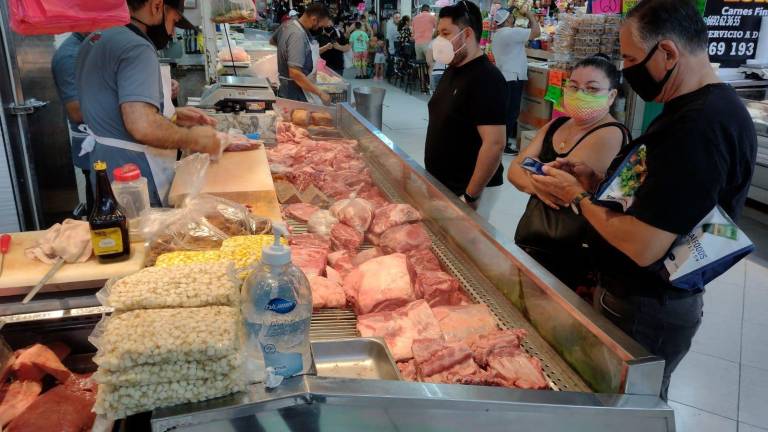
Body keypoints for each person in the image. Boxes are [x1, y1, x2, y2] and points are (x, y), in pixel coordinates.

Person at [530, 0, 757, 400]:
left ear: (667, 53)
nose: (629, 70)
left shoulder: (698, 127)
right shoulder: (702, 107)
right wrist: (599, 180)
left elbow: (643, 244)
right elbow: (669, 197)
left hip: (645, 308)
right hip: (643, 301)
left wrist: (580, 197)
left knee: (624, 409)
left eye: (633, 59)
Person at [77, 0, 221, 208]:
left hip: (103, 169)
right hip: (133, 177)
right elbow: (142, 125)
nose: (172, 34)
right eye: (173, 21)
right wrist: (193, 138)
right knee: (144, 238)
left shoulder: (95, 39)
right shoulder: (136, 47)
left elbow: (110, 106)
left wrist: (173, 113)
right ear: (156, 6)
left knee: (116, 235)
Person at [508, 54, 626, 292]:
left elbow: (562, 190)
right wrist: (538, 186)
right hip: (536, 235)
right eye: (574, 86)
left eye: (592, 89)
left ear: (611, 95)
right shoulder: (556, 125)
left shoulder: (610, 133)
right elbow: (514, 170)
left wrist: (533, 173)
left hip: (574, 248)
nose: (580, 94)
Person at [424, 0, 507, 219]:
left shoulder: (487, 78)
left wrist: (471, 196)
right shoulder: (453, 68)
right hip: (444, 182)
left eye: (445, 33)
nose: (439, 40)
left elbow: (495, 144)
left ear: (467, 34)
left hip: (467, 190)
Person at [51, 32, 94, 216]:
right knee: (100, 206)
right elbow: (77, 111)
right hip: (92, 149)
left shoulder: (92, 45)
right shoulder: (70, 55)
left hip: (107, 144)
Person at [491, 7, 540, 154]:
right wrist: (531, 16)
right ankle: (503, 145)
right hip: (512, 77)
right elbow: (537, 32)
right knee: (511, 112)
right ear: (507, 20)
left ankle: (502, 140)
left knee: (506, 111)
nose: (513, 18)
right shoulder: (510, 33)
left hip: (505, 76)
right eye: (511, 17)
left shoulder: (499, 34)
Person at [271, 3, 332, 104]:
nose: (319, 29)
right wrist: (320, 93)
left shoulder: (288, 25)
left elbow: (273, 41)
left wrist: (288, 53)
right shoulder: (297, 35)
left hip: (290, 88)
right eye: (320, 25)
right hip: (295, 92)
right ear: (313, 19)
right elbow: (295, 73)